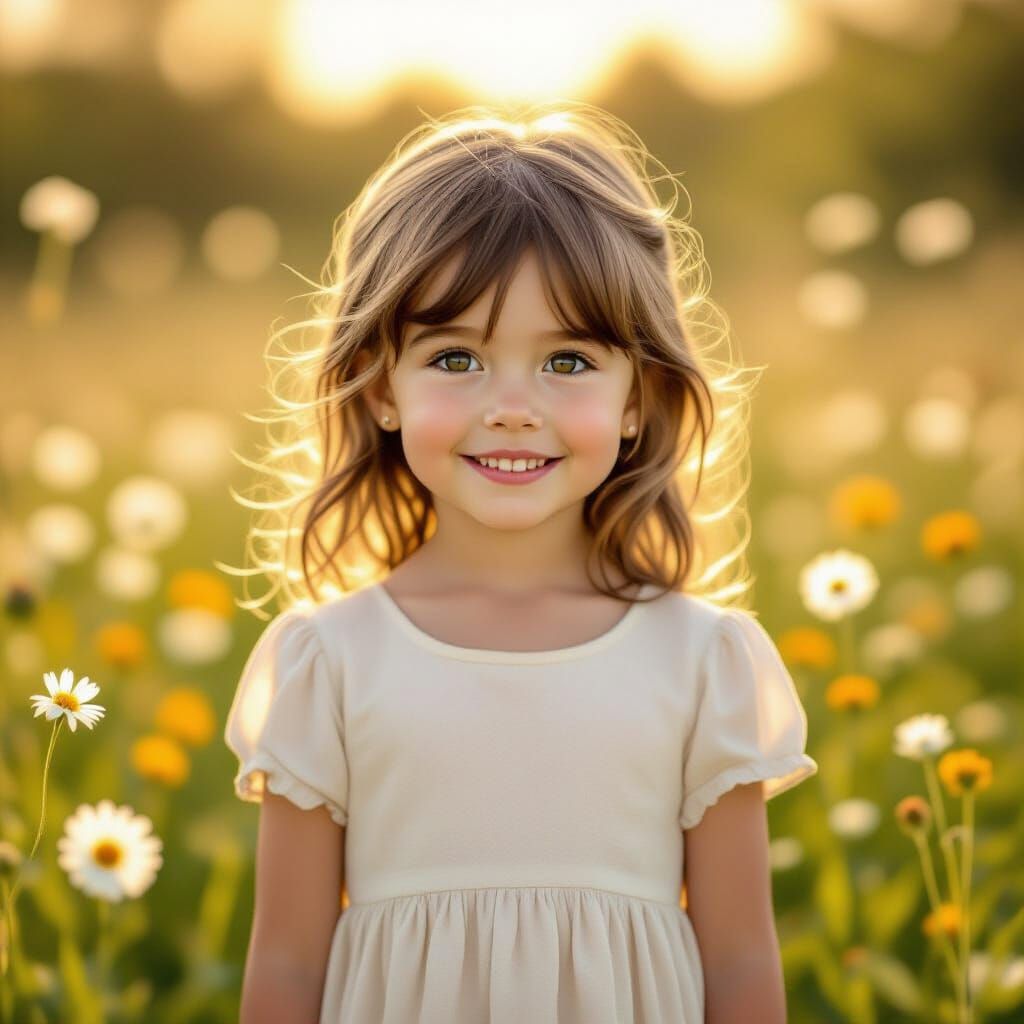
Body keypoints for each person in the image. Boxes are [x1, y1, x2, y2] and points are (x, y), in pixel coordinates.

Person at [223, 100, 818, 1024]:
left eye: (569, 362)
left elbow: (741, 965)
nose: (511, 406)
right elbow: (287, 970)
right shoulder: (328, 663)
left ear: (640, 396)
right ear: (383, 387)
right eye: (456, 357)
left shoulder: (704, 662)